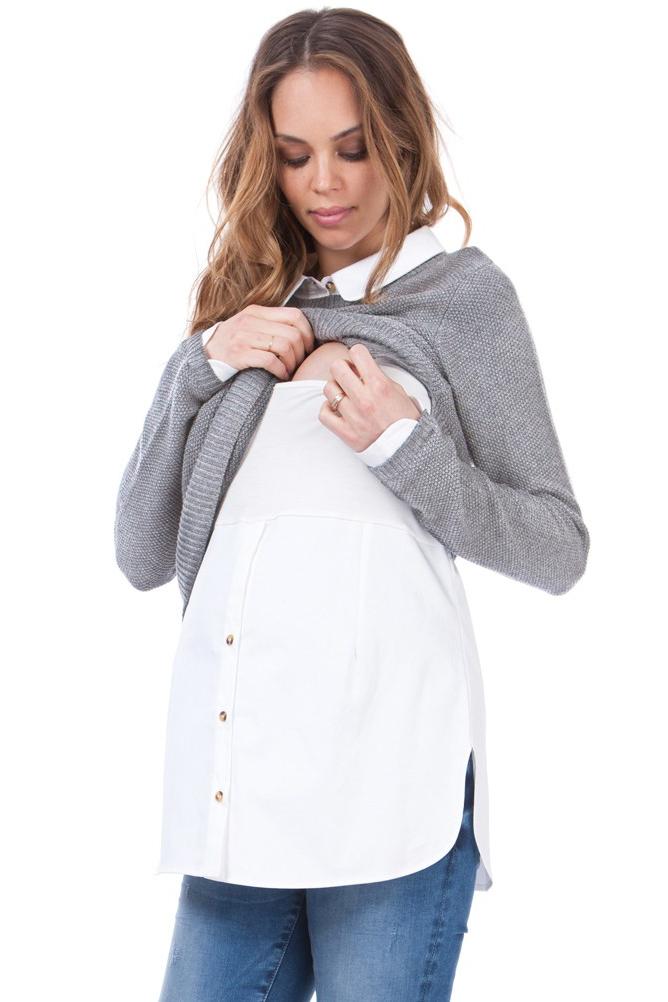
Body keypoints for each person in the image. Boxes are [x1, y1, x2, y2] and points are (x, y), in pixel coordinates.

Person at [113, 9, 590, 1001]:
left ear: (401, 139)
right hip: (240, 791)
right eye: (293, 156)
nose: (324, 183)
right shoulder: (250, 309)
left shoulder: (461, 299)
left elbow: (557, 546)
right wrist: (197, 365)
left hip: (390, 788)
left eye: (353, 147)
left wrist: (402, 447)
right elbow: (140, 550)